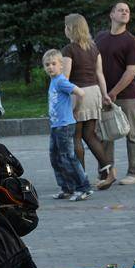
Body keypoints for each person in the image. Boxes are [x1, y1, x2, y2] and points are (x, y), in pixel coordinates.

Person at [62, 13, 117, 190]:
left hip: (78, 94)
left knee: (76, 136)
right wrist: (105, 94)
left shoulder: (69, 50)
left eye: (66, 26)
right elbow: (99, 74)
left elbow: (65, 78)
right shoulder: (94, 48)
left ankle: (80, 179)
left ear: (71, 28)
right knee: (90, 135)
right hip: (94, 92)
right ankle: (109, 170)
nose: (64, 29)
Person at [95, 2, 135, 186]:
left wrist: (113, 92)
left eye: (127, 11)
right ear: (112, 14)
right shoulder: (100, 37)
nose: (125, 12)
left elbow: (131, 71)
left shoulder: (131, 41)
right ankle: (107, 173)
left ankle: (134, 173)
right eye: (121, 10)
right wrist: (101, 92)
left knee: (132, 135)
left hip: (126, 95)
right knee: (104, 135)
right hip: (103, 94)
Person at [44, 49, 92, 202]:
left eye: (53, 64)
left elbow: (80, 93)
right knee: (55, 157)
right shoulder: (53, 81)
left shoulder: (61, 81)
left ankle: (84, 187)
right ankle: (67, 188)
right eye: (47, 65)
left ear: (61, 65)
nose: (50, 67)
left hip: (64, 126)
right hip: (56, 126)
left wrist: (76, 109)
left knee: (68, 157)